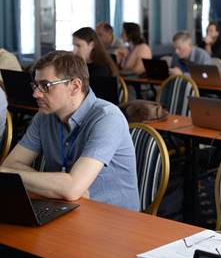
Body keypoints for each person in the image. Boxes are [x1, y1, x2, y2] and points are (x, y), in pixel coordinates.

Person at [0, 51, 139, 210]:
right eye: (35, 85)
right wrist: (62, 187)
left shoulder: (107, 118)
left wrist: (5, 172)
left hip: (115, 219)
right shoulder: (43, 117)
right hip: (66, 207)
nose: (35, 93)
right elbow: (12, 164)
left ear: (75, 86)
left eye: (45, 86)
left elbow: (72, 189)